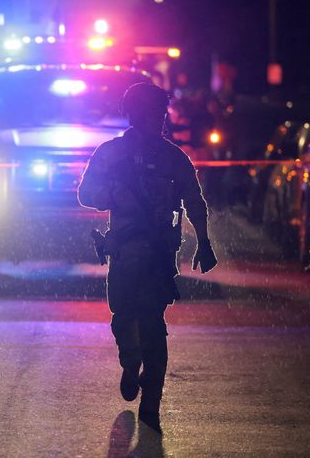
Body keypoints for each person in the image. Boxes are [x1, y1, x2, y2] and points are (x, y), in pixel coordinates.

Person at [78, 83, 218, 435]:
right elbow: (86, 193)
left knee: (154, 326)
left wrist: (204, 241)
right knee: (123, 318)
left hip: (157, 256)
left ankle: (151, 401)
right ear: (133, 114)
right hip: (125, 254)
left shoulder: (173, 157)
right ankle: (130, 361)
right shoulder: (111, 154)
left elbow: (194, 200)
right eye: (148, 112)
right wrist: (115, 192)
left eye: (159, 112)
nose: (155, 119)